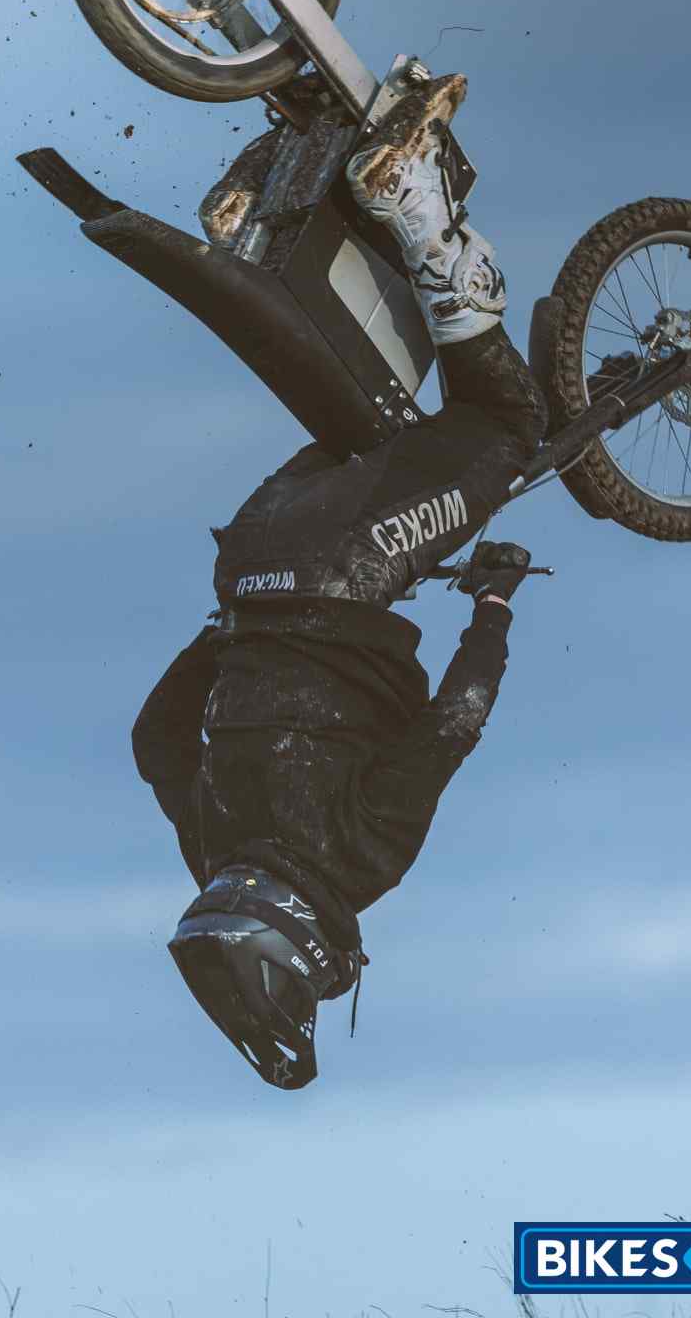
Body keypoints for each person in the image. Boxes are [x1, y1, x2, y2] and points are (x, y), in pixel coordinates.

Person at [131, 75, 548, 1088]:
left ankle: (413, 202)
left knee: (504, 427)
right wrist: (228, 632)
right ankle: (274, 220)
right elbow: (153, 739)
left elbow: (453, 726)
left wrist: (493, 606)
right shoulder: (212, 850)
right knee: (380, 417)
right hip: (255, 559)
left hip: (345, 567)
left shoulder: (358, 865)